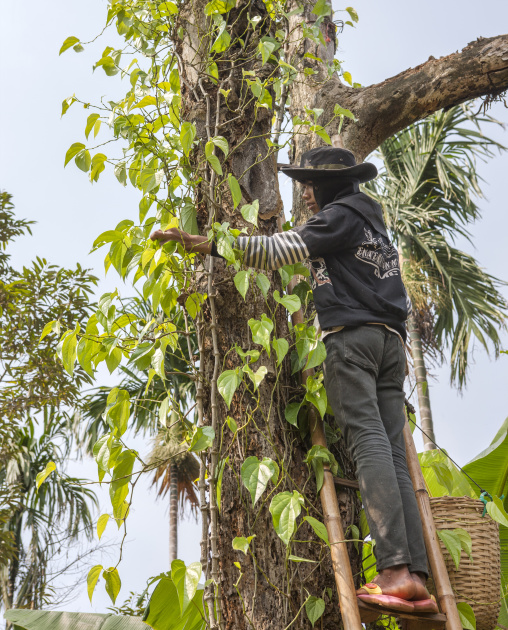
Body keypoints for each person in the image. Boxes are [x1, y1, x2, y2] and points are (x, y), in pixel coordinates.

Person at [151, 146, 437, 615]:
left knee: (367, 445)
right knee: (393, 458)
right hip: (390, 345)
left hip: (354, 343)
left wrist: (208, 244)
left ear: (329, 186)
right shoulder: (374, 225)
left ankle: (394, 571)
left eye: (310, 185)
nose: (305, 194)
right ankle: (416, 577)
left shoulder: (340, 216)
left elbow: (278, 249)